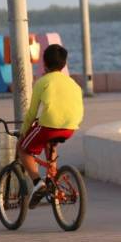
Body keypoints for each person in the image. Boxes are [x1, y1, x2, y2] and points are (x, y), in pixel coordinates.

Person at [18, 44, 84, 208]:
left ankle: (37, 183)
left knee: (22, 149)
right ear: (64, 64)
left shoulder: (43, 82)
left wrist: (23, 132)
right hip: (71, 126)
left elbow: (32, 113)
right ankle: (52, 178)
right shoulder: (73, 83)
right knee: (51, 142)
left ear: (44, 63)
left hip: (49, 125)